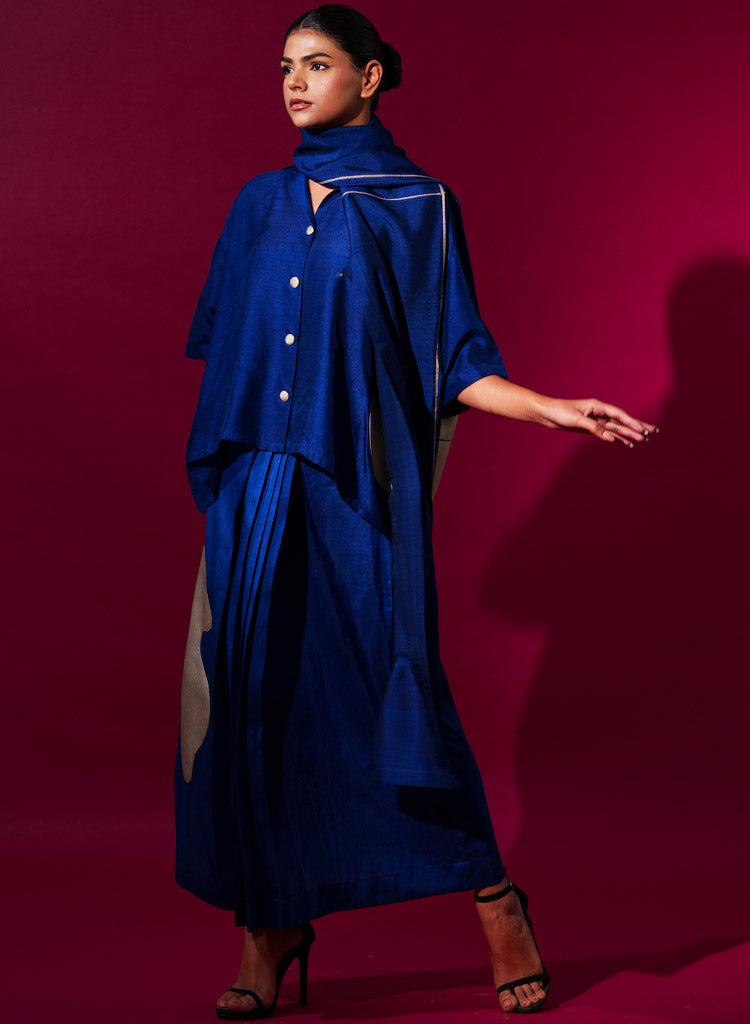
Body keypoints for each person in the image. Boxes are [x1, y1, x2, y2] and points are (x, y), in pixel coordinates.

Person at [174, 5, 657, 1018]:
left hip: (350, 496)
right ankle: (271, 926)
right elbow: (233, 352)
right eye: (285, 66)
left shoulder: (418, 206)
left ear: (371, 76)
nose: (294, 82)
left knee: (394, 693)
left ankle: (495, 899)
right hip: (257, 492)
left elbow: (454, 360)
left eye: (317, 64)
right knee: (252, 699)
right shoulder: (258, 204)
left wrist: (551, 408)